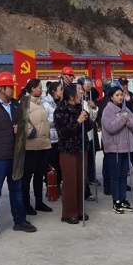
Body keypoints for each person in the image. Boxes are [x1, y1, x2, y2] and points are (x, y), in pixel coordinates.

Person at [0, 72, 37, 241]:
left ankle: (19, 220)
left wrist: (20, 129)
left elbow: (23, 127)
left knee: (17, 191)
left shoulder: (16, 105)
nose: (12, 89)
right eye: (10, 87)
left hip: (15, 157)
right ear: (1, 88)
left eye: (12, 87)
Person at [102, 84, 133, 213]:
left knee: (124, 175)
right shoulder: (107, 110)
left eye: (121, 95)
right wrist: (123, 118)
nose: (120, 97)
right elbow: (111, 128)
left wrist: (129, 121)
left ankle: (123, 199)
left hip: (126, 148)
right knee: (116, 176)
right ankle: (116, 201)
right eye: (117, 95)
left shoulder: (125, 109)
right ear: (111, 97)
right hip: (114, 149)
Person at [54, 84, 92, 223]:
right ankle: (69, 213)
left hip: (82, 148)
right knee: (70, 181)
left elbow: (89, 127)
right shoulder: (60, 110)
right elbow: (63, 133)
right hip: (68, 150)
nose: (81, 93)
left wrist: (87, 118)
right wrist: (78, 121)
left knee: (81, 180)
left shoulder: (80, 108)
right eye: (78, 91)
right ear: (71, 96)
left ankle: (80, 210)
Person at [20, 79, 53, 215]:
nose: (41, 89)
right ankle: (26, 204)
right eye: (39, 87)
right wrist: (30, 132)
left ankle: (39, 202)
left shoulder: (40, 103)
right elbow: (22, 121)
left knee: (39, 175)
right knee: (27, 176)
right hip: (31, 146)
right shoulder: (24, 102)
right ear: (32, 89)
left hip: (43, 145)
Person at [78, 77, 99, 200]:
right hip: (77, 134)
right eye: (86, 84)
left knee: (91, 154)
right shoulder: (73, 101)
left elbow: (93, 117)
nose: (88, 86)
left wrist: (94, 107)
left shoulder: (91, 96)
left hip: (89, 131)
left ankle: (90, 177)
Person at [41, 81, 63, 188]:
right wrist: (58, 121)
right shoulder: (46, 104)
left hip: (61, 138)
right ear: (54, 91)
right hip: (51, 138)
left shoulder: (63, 102)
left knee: (59, 164)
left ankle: (58, 184)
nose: (62, 91)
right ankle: (51, 187)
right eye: (60, 89)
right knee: (51, 164)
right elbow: (45, 121)